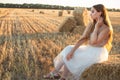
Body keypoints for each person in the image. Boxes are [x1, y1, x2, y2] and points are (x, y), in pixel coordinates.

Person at [43, 4, 113, 80]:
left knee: (73, 56)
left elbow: (93, 42)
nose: (90, 14)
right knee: (69, 49)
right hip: (89, 49)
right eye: (90, 11)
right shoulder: (90, 24)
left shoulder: (107, 29)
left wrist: (96, 27)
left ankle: (61, 76)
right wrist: (72, 51)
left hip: (98, 53)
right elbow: (82, 39)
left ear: (100, 13)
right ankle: (56, 73)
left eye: (93, 12)